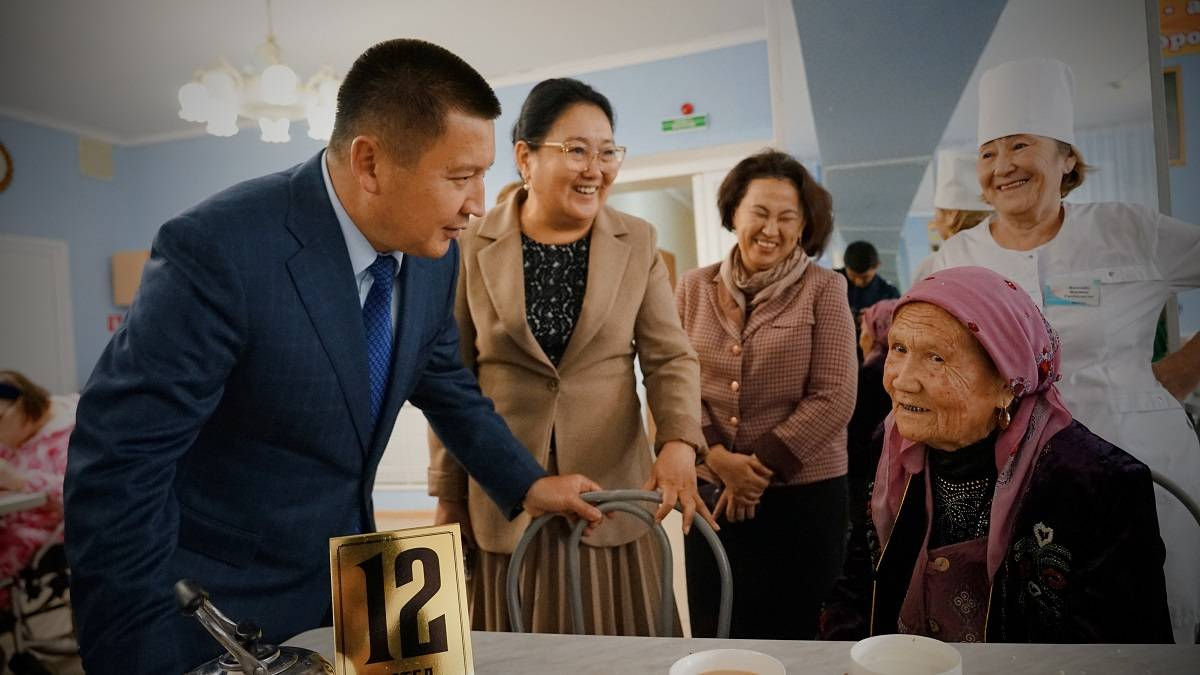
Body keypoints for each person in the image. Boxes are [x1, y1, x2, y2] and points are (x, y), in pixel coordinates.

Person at [63, 40, 605, 673]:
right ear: (370, 163)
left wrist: (528, 483)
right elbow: (120, 461)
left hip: (357, 581)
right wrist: (133, 652)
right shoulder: (220, 248)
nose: (478, 203)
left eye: (482, 175)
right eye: (460, 178)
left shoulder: (434, 256)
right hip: (220, 602)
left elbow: (444, 384)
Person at [925, 57, 1200, 642]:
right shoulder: (956, 257)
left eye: (1020, 146)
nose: (1003, 166)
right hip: (1010, 471)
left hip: (1139, 453)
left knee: (1152, 622)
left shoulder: (1128, 230)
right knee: (1034, 627)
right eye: (988, 154)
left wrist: (1180, 371)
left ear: (1067, 158)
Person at [428, 78, 711, 635]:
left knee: (621, 647)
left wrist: (679, 440)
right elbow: (450, 378)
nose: (595, 169)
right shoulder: (469, 245)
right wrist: (449, 495)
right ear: (525, 158)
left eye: (607, 152)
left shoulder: (638, 241)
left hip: (612, 492)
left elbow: (669, 358)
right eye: (576, 150)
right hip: (507, 491)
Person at [822, 266, 1173, 643]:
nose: (902, 381)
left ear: (1008, 379)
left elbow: (1123, 651)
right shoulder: (890, 445)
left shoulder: (1098, 483)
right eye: (899, 349)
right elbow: (859, 585)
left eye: (936, 358)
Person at [676, 150, 857, 639]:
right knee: (718, 626)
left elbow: (835, 395)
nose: (770, 229)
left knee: (802, 632)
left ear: (804, 226)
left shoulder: (825, 288)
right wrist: (718, 458)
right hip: (710, 492)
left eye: (786, 217)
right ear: (734, 213)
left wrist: (752, 472)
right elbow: (675, 383)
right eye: (758, 212)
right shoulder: (692, 288)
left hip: (805, 497)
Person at [0, 372, 76, 612]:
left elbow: (77, 493)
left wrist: (20, 481)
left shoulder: (69, 433)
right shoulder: (15, 437)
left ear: (22, 403)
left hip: (48, 531)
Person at [847, 299, 899, 530]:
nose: (861, 338)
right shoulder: (902, 371)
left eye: (864, 330)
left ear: (876, 333)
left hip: (868, 476)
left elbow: (855, 435)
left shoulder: (868, 376)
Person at [910, 150, 992, 283]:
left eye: (937, 212)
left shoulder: (933, 266)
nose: (934, 220)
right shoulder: (1005, 255)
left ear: (951, 215)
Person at [840, 240, 900, 320]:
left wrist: (878, 317)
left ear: (877, 265)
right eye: (852, 276)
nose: (858, 282)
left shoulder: (890, 294)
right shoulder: (831, 282)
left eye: (865, 277)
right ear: (845, 264)